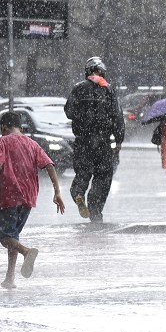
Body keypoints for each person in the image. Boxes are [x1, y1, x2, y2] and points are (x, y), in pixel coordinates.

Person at [0, 111, 66, 289]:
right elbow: (49, 165)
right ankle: (10, 278)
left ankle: (26, 252)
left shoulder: (3, 141)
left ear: (3, 127)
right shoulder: (32, 144)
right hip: (29, 195)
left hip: (11, 194)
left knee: (4, 237)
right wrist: (57, 192)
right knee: (13, 236)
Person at [64, 57, 125, 223]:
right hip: (103, 142)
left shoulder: (78, 89)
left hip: (83, 141)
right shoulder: (108, 90)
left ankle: (78, 191)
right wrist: (119, 139)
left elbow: (69, 111)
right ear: (102, 72)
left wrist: (82, 116)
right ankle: (95, 211)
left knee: (83, 172)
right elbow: (117, 116)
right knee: (103, 176)